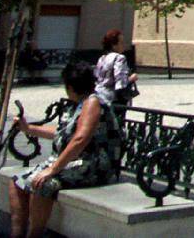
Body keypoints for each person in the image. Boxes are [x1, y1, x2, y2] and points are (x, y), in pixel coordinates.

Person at [9, 61, 121, 238]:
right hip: (74, 162)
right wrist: (29, 129)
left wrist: (52, 169)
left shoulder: (93, 103)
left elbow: (80, 139)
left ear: (70, 87)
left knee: (41, 184)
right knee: (16, 182)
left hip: (93, 165)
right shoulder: (79, 103)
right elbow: (63, 132)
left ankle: (34, 235)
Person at [94, 29, 137, 107]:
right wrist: (131, 78)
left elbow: (97, 77)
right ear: (114, 45)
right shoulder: (119, 58)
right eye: (121, 42)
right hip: (112, 100)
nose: (123, 45)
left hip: (98, 95)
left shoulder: (102, 58)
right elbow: (121, 83)